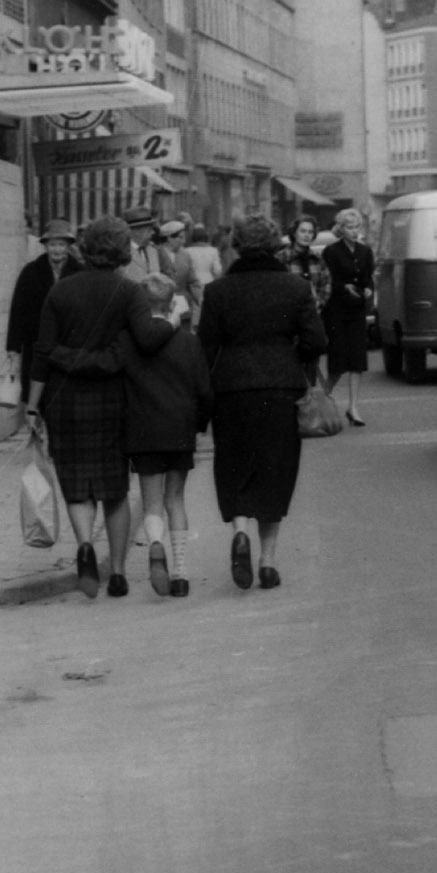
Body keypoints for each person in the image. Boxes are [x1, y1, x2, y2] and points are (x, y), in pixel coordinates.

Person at [31, 215, 176, 602]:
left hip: (64, 401)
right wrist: (171, 323)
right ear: (122, 250)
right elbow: (146, 340)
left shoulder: (60, 291)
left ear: (86, 247)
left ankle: (84, 546)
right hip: (113, 398)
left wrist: (31, 407)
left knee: (77, 486)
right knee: (114, 490)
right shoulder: (129, 291)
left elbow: (42, 352)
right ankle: (118, 572)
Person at [197, 212, 328, 592]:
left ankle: (240, 532)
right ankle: (268, 562)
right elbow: (317, 341)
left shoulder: (218, 291)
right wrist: (289, 355)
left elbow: (205, 350)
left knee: (235, 465)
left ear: (237, 245)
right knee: (275, 470)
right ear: (275, 244)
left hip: (232, 390)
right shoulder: (295, 288)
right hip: (280, 388)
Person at [122, 282, 212, 597]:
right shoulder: (188, 341)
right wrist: (198, 426)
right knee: (176, 499)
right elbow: (204, 391)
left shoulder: (128, 342)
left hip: (143, 430)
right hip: (179, 429)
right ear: (171, 303)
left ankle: (155, 543)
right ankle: (181, 573)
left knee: (152, 503)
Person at [5, 219, 77, 402]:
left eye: (61, 244)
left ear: (68, 246)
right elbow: (18, 311)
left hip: (68, 346)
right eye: (52, 245)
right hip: (36, 345)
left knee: (64, 396)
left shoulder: (79, 272)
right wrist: (13, 348)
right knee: (36, 399)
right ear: (45, 246)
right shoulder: (31, 272)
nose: (57, 250)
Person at [320, 207, 375, 426]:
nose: (354, 231)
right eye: (350, 227)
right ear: (341, 229)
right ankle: (321, 401)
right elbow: (327, 281)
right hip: (337, 311)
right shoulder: (331, 251)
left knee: (357, 361)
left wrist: (368, 289)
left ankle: (353, 407)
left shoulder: (365, 251)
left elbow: (368, 278)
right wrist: (344, 288)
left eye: (357, 227)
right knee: (338, 362)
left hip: (357, 310)